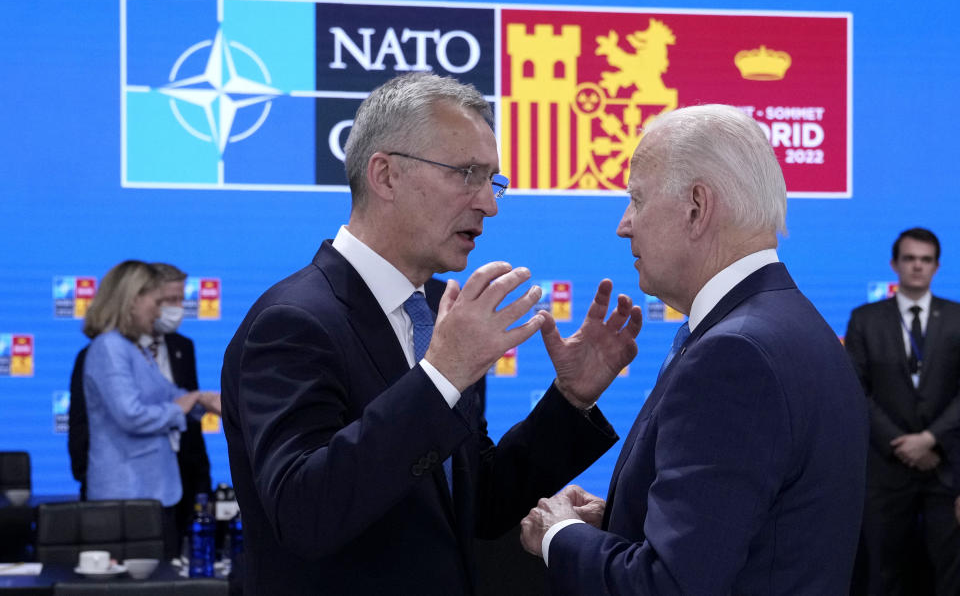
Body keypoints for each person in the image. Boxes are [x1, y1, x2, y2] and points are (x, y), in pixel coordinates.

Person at [220, 72, 642, 595]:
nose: (489, 203)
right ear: (386, 175)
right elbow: (306, 514)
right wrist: (442, 374)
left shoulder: (442, 313)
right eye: (467, 174)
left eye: (493, 180)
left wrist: (569, 401)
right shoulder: (295, 322)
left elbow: (475, 503)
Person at [519, 104, 869, 594]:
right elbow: (750, 532)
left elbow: (669, 585)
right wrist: (625, 519)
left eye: (636, 199)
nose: (624, 225)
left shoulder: (736, 355)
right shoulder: (794, 325)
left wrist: (560, 533)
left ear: (697, 208)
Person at [845, 227, 960, 595]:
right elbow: (856, 391)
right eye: (909, 259)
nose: (917, 267)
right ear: (894, 264)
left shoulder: (958, 318)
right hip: (885, 469)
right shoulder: (865, 319)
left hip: (945, 469)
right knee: (883, 576)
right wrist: (902, 443)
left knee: (949, 576)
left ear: (937, 267)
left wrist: (929, 439)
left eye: (925, 260)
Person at [81, 260, 219, 557]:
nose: (160, 313)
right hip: (126, 496)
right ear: (132, 300)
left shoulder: (135, 348)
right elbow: (130, 415)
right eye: (157, 303)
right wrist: (181, 408)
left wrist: (202, 400)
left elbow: (171, 394)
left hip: (153, 491)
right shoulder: (109, 347)